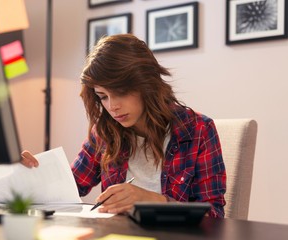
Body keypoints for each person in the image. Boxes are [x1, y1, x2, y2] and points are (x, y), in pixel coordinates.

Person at [21, 34, 226, 218]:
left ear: (146, 84)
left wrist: (154, 200)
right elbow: (71, 187)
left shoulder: (198, 130)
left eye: (120, 93)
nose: (112, 106)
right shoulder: (104, 132)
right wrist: (31, 176)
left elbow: (215, 216)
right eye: (103, 96)